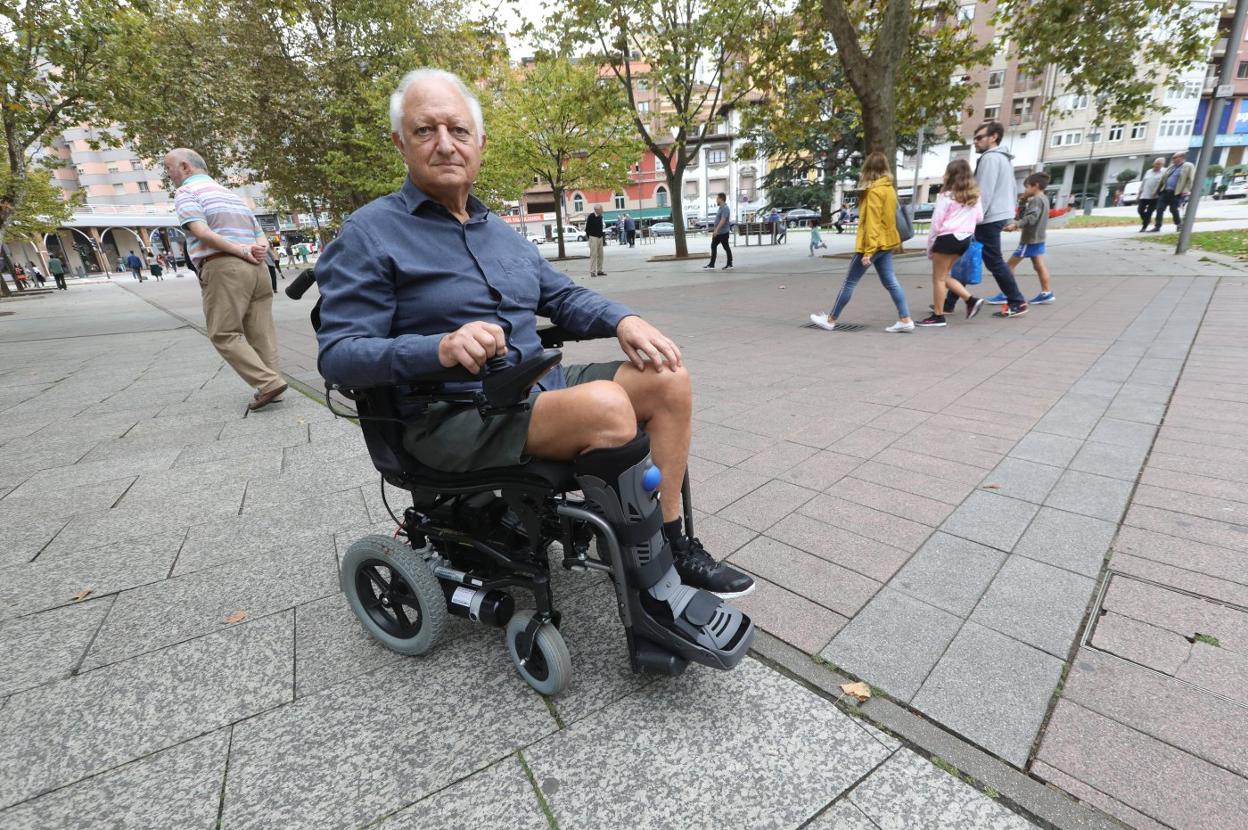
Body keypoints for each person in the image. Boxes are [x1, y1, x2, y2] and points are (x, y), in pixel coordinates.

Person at [314, 68, 753, 613]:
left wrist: (623, 320)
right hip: (453, 414)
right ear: (400, 143)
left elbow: (563, 296)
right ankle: (646, 587)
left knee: (667, 378)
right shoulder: (368, 234)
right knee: (606, 404)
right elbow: (339, 356)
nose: (445, 144)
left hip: (535, 387)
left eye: (458, 130)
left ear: (479, 143)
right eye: (426, 131)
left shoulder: (499, 231)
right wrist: (440, 348)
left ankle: (668, 540)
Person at [163, 147, 287, 411]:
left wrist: (239, 250)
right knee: (261, 331)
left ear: (185, 167)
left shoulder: (187, 192)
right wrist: (257, 249)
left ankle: (268, 382)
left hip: (225, 267)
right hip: (258, 269)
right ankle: (273, 386)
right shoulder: (232, 196)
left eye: (168, 167)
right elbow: (259, 234)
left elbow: (200, 231)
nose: (168, 174)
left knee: (224, 332)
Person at [808, 151, 914, 333]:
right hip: (887, 242)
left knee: (849, 282)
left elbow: (873, 223)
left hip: (873, 244)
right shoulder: (889, 189)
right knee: (890, 281)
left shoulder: (873, 192)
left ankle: (830, 319)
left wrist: (868, 252)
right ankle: (905, 319)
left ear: (868, 170)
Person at [968, 121, 1028, 318]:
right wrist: (1009, 216)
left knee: (992, 261)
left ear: (993, 137)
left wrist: (974, 219)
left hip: (987, 218)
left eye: (979, 138)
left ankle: (1017, 301)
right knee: (967, 255)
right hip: (995, 215)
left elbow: (983, 192)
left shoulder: (990, 159)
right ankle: (950, 301)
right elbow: (1011, 189)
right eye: (974, 138)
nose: (975, 142)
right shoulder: (1003, 159)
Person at [918, 159, 985, 327]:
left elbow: (936, 222)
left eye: (946, 172)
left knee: (938, 279)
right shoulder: (974, 197)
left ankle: (938, 316)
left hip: (947, 238)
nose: (943, 175)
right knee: (945, 276)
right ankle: (970, 300)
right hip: (964, 240)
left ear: (951, 175)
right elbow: (980, 218)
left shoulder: (946, 196)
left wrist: (930, 246)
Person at [1005, 172, 1054, 305]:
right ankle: (1046, 292)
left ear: (1036, 186)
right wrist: (1023, 200)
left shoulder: (1036, 200)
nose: (1025, 190)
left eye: (1027, 187)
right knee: (1039, 266)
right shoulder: (1044, 198)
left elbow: (1031, 218)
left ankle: (1008, 293)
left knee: (1008, 266)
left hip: (1029, 240)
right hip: (1039, 238)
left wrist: (1016, 224)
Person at [1153, 151, 1195, 232]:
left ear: (1181, 157)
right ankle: (1157, 226)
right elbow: (1163, 179)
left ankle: (1179, 224)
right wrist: (1156, 190)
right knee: (1159, 208)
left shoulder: (1188, 166)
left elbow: (1190, 179)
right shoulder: (1171, 167)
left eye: (1175, 157)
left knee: (1173, 209)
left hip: (1176, 192)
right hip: (1165, 191)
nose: (1173, 159)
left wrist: (1186, 190)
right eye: (1173, 158)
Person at [703, 192, 733, 271]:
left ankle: (729, 264)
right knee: (713, 246)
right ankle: (712, 264)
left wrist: (716, 230)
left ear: (721, 199)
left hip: (723, 232)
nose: (716, 200)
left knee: (726, 247)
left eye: (717, 198)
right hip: (719, 232)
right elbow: (719, 220)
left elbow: (723, 220)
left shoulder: (725, 208)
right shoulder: (721, 208)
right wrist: (715, 230)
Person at [1138, 158, 1165, 232]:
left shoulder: (1163, 172)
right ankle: (1147, 220)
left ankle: (1144, 227)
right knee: (1140, 210)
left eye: (1159, 164)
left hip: (1155, 197)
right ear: (1153, 164)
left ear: (1162, 165)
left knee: (1149, 212)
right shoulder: (1148, 171)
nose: (1157, 165)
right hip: (1144, 195)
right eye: (1156, 163)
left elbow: (1163, 184)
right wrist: (1139, 193)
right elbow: (1143, 183)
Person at [585, 204, 606, 277]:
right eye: (601, 209)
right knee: (593, 255)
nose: (603, 210)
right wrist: (589, 238)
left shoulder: (600, 217)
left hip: (600, 237)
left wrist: (602, 238)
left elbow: (600, 228)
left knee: (601, 255)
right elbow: (587, 228)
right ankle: (592, 271)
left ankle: (599, 270)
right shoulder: (591, 216)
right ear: (597, 210)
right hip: (593, 237)